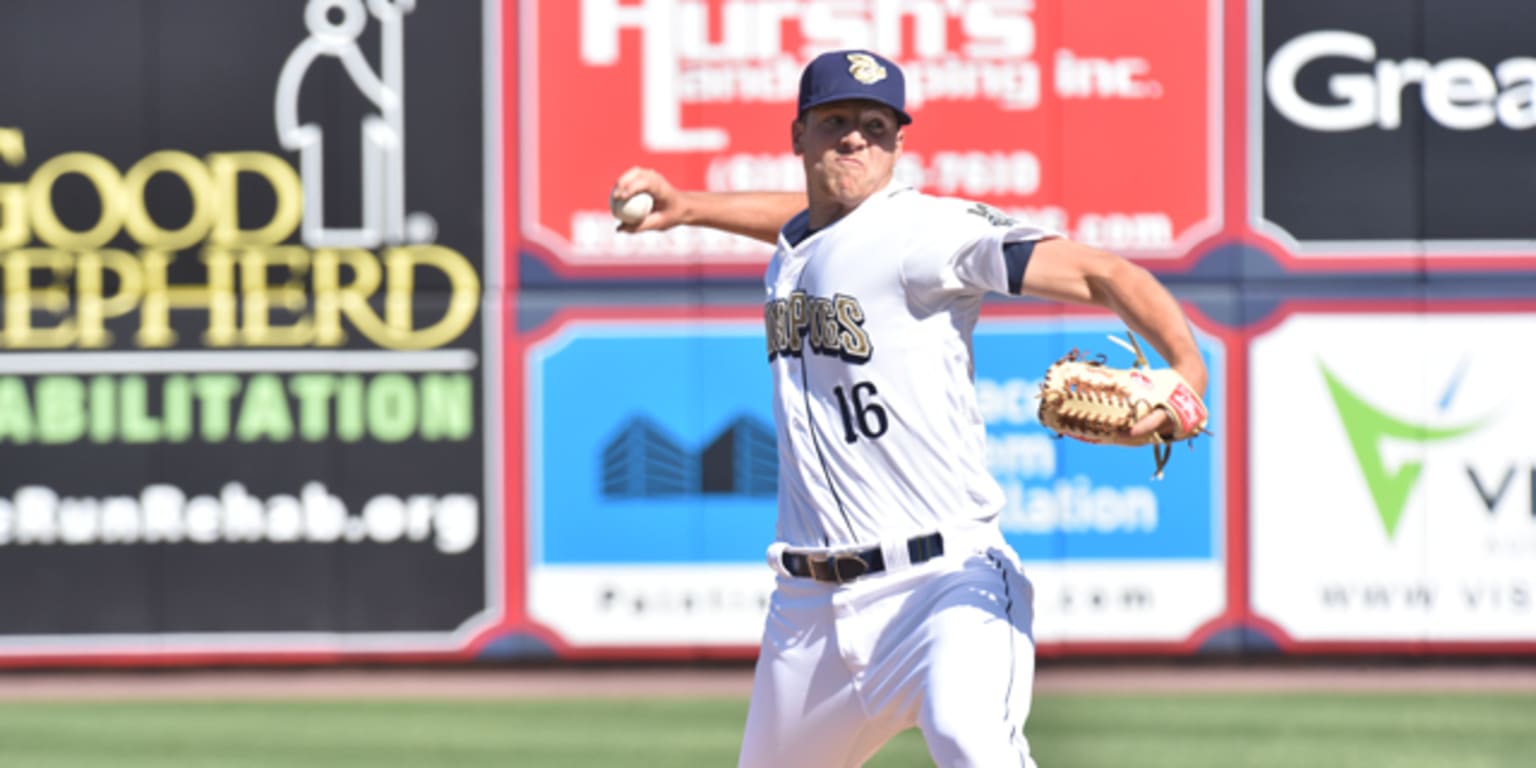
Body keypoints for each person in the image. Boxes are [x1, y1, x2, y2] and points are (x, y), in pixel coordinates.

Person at [611, 49, 1207, 768]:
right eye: (836, 121)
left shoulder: (928, 231)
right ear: (798, 136)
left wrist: (1187, 369)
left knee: (971, 742)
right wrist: (692, 209)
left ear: (899, 143)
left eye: (876, 125)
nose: (856, 137)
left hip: (943, 587)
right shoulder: (803, 240)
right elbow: (809, 220)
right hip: (808, 617)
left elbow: (1103, 272)